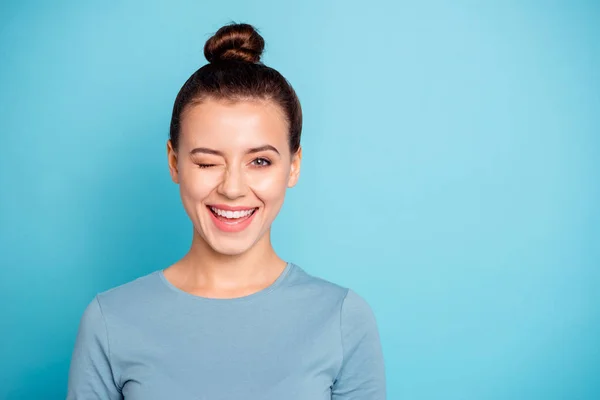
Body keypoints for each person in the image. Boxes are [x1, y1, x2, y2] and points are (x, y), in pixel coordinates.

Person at [66, 22, 386, 400]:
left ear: (294, 165)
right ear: (174, 162)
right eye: (206, 163)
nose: (232, 188)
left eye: (261, 162)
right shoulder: (109, 321)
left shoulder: (343, 319)